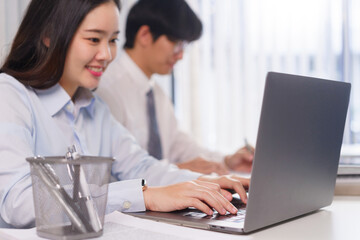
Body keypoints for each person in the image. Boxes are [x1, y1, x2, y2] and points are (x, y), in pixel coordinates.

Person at [0, 0, 250, 228]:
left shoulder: (93, 107)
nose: (107, 55)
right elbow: (19, 202)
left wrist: (208, 183)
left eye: (112, 40)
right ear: (49, 36)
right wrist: (144, 196)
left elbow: (140, 166)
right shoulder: (10, 95)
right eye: (94, 40)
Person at [97, 0, 254, 175]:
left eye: (184, 46)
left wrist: (226, 161)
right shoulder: (105, 90)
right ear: (145, 35)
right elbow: (109, 174)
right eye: (176, 43)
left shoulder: (156, 94)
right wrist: (177, 170)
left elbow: (180, 146)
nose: (180, 55)